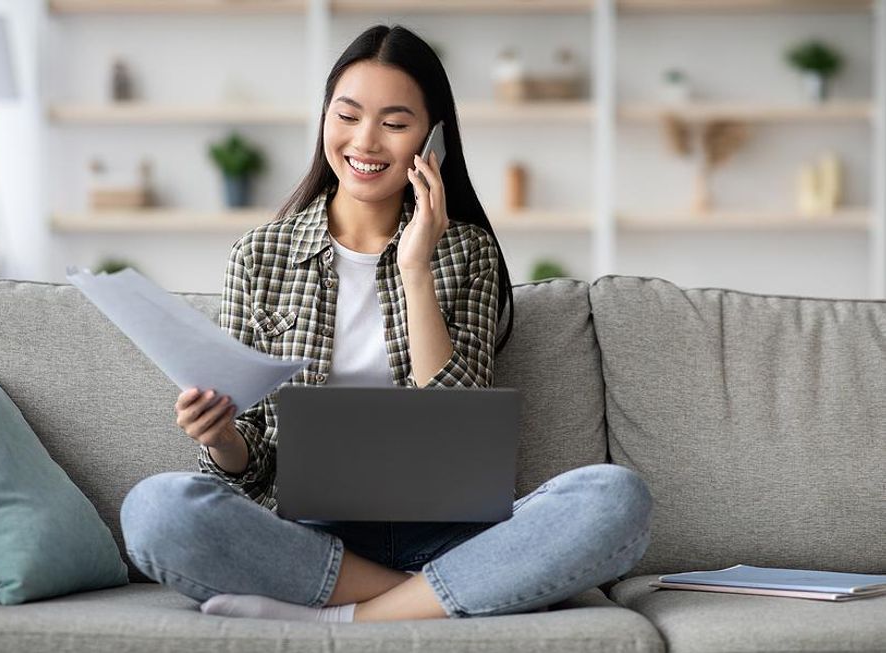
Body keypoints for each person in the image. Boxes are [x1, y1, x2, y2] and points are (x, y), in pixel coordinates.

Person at [120, 24, 653, 624]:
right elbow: (254, 472)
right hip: (313, 538)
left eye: (395, 125)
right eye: (347, 116)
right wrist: (219, 438)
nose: (365, 142)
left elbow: (459, 428)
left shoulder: (465, 251)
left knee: (616, 498)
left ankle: (346, 616)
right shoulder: (259, 255)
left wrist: (415, 267)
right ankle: (436, 596)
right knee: (156, 508)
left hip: (458, 533)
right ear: (324, 119)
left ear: (434, 140)